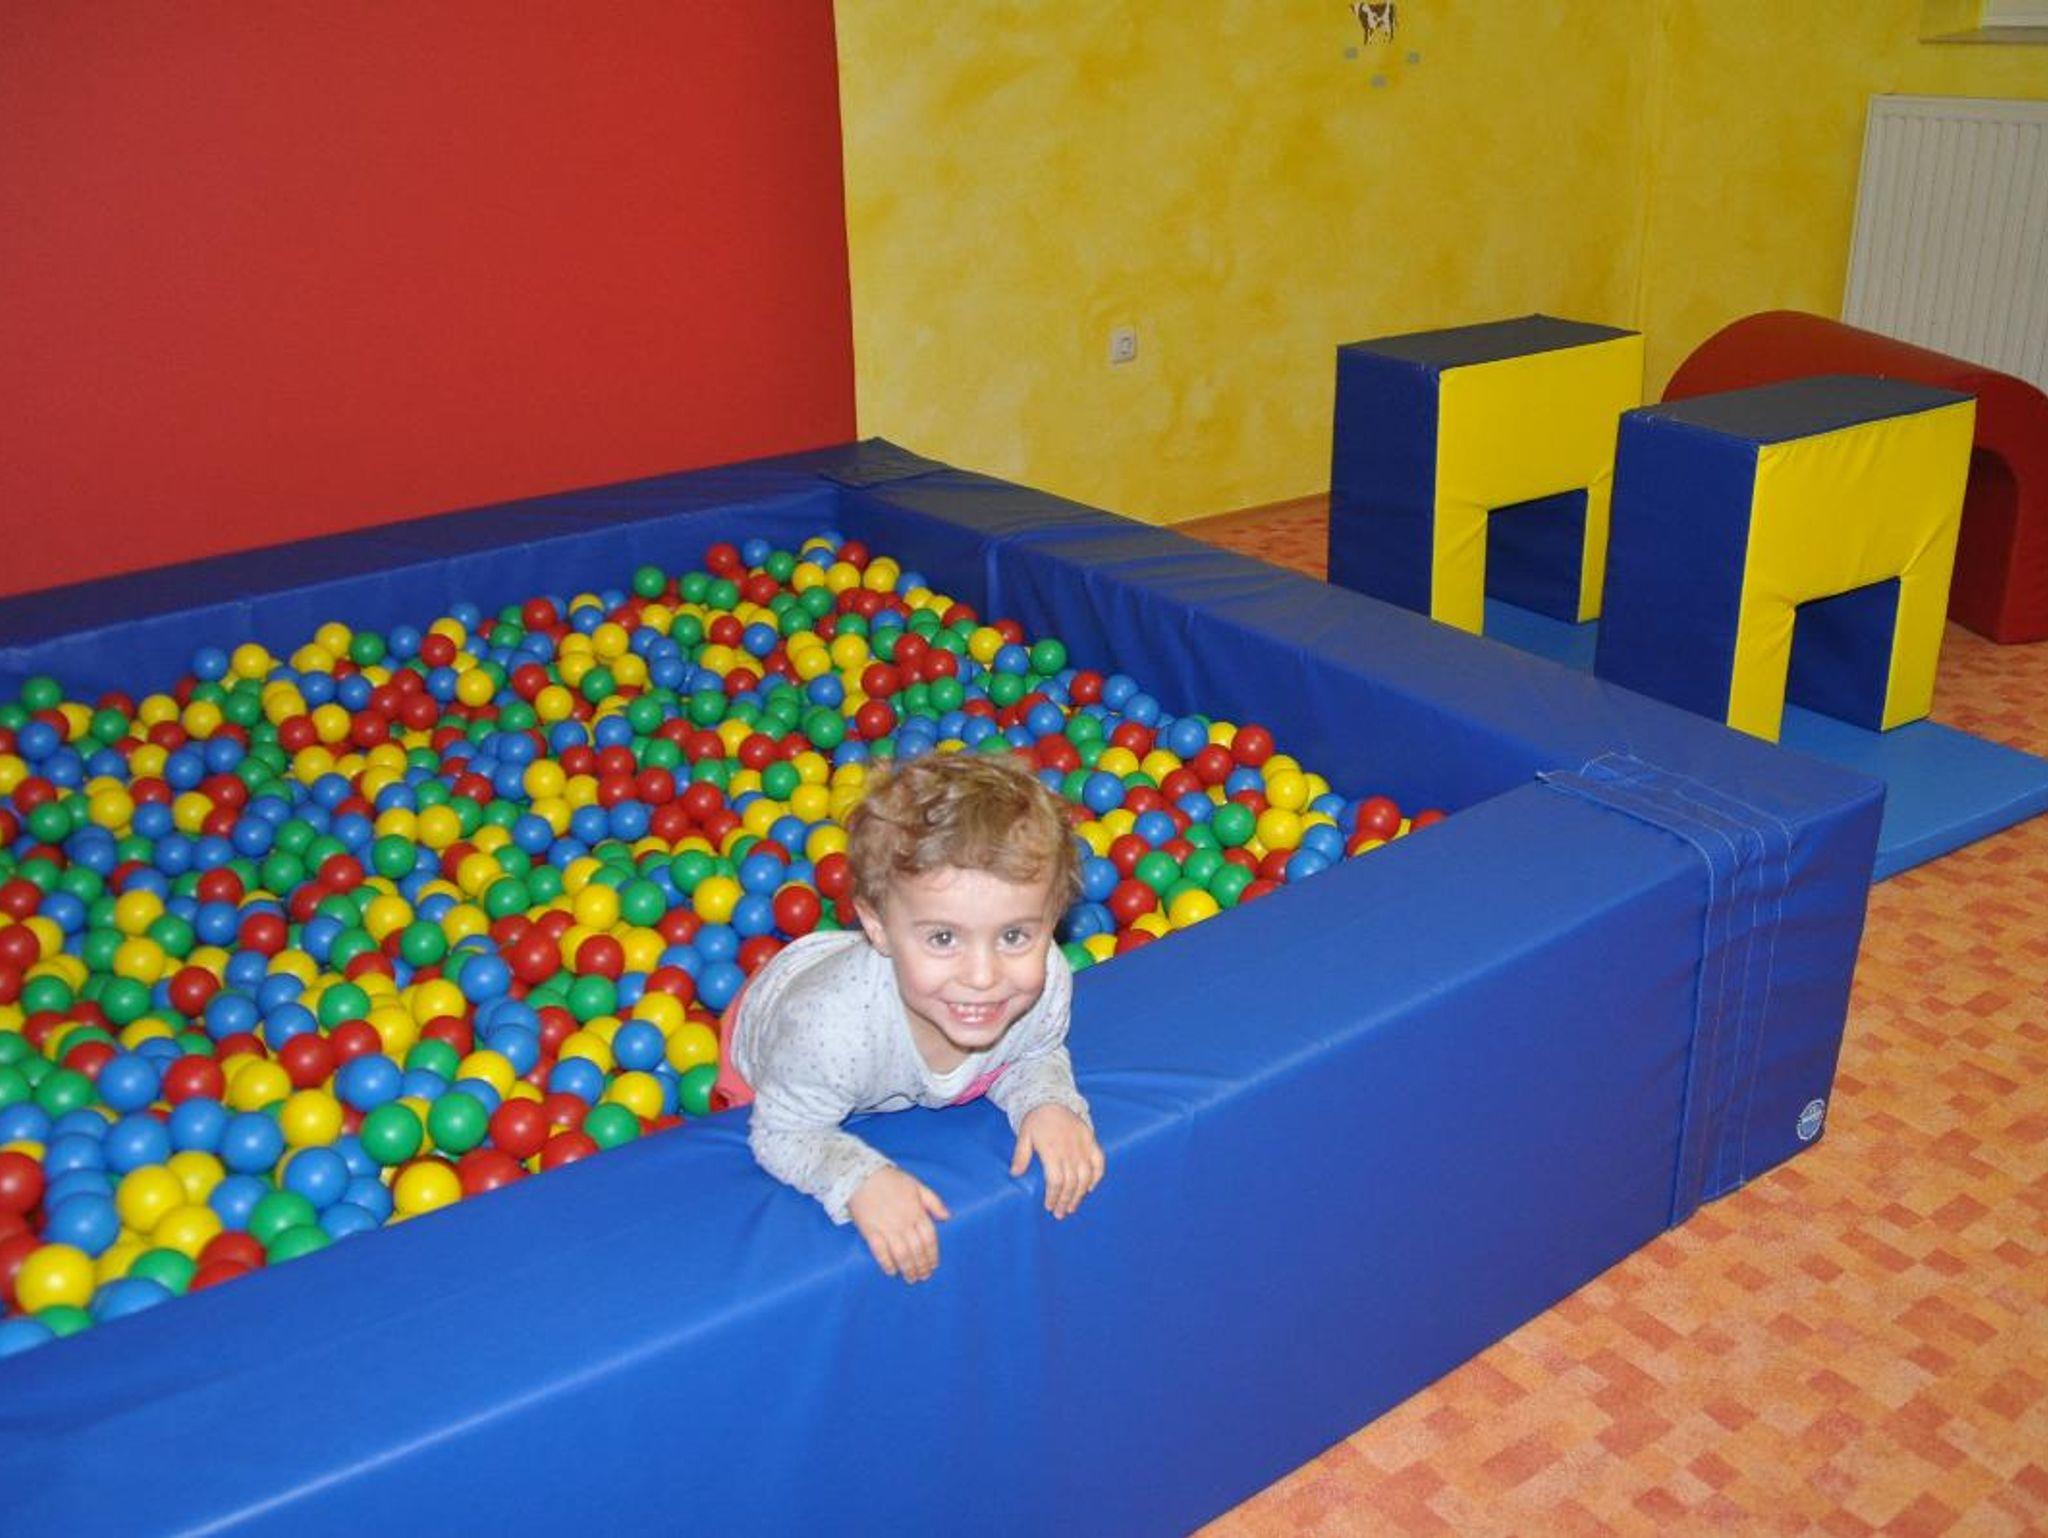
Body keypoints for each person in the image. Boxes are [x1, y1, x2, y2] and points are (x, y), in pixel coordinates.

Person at [713, 751, 1105, 1283]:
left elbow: (1033, 1053)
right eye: (943, 938)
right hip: (771, 1026)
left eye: (1014, 935)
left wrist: (1048, 1102)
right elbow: (782, 1131)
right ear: (876, 926)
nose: (983, 976)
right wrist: (860, 1180)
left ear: (1054, 918)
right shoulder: (831, 1030)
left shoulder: (1041, 985)